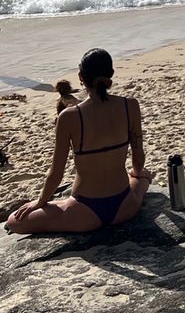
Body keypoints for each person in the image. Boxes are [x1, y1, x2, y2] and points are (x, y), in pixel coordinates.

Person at [7, 48, 153, 234]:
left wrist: (41, 202)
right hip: (125, 206)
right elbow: (138, 162)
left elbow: (56, 173)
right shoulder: (130, 105)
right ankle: (142, 183)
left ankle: (59, 204)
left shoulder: (69, 116)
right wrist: (139, 174)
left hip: (85, 212)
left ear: (81, 77)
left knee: (13, 221)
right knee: (140, 176)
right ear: (111, 75)